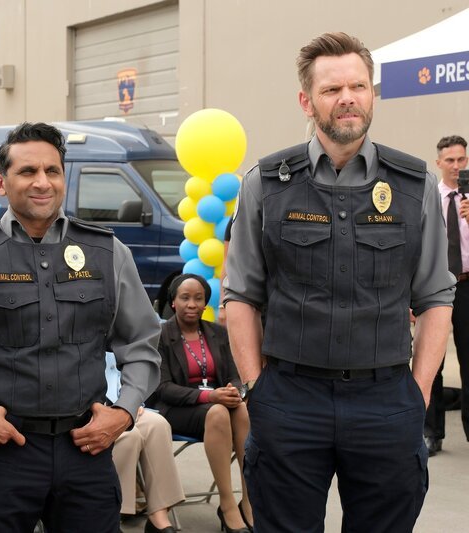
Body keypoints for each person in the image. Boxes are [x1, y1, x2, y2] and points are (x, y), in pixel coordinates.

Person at [224, 32, 454, 532]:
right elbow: (240, 294)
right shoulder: (265, 183)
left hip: (386, 398)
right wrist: (255, 388)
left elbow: (436, 296)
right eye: (332, 90)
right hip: (289, 397)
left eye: (358, 86)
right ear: (307, 101)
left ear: (373, 94)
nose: (347, 98)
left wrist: (418, 393)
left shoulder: (412, 185)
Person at [0, 122, 161, 532]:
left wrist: (123, 413)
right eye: (27, 172)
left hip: (86, 449)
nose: (42, 183)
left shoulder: (107, 251)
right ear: (0, 181)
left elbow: (141, 345)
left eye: (52, 171)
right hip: (2, 453)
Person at [154, 274, 250, 533]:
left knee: (240, 408)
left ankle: (248, 502)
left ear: (206, 304)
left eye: (198, 299)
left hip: (216, 407)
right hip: (177, 409)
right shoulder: (161, 336)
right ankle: (228, 505)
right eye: (185, 298)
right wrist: (211, 397)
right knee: (219, 411)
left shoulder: (218, 333)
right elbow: (163, 389)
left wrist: (235, 391)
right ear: (173, 302)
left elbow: (234, 374)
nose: (192, 304)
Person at [106, 352, 184, 533]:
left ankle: (159, 517)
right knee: (129, 436)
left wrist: (130, 401)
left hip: (121, 401)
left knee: (157, 425)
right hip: (89, 408)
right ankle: (113, 517)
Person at [426, 135, 469, 456]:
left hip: (467, 286)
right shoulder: (428, 198)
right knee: (432, 362)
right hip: (436, 288)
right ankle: (432, 433)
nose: (456, 167)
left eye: (461, 160)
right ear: (439, 163)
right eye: (450, 161)